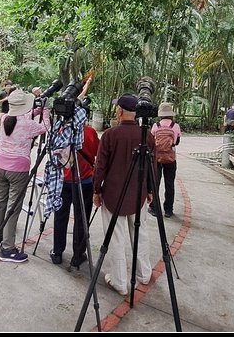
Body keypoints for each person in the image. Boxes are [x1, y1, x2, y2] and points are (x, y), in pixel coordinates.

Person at [92, 93, 155, 296]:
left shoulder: (110, 135)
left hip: (113, 195)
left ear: (119, 111)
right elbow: (152, 166)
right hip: (139, 194)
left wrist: (96, 190)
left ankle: (119, 282)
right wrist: (151, 190)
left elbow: (100, 166)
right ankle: (144, 274)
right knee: (140, 233)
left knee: (116, 238)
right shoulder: (148, 136)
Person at [0, 89, 50, 262]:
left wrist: (36, 110)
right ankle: (8, 249)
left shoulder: (4, 119)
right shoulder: (28, 125)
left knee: (1, 201)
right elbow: (46, 127)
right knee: (13, 208)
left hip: (1, 165)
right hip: (18, 169)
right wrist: (45, 111)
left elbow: (21, 117)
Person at [51, 100, 99, 270]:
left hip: (64, 181)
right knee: (81, 219)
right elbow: (95, 154)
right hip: (84, 181)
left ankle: (57, 252)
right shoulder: (90, 132)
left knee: (60, 217)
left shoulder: (62, 130)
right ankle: (78, 256)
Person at [149, 102, 182, 219]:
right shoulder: (175, 126)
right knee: (169, 184)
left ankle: (154, 208)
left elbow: (151, 142)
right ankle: (168, 210)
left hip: (157, 158)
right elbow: (177, 142)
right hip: (170, 159)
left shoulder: (155, 126)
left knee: (155, 183)